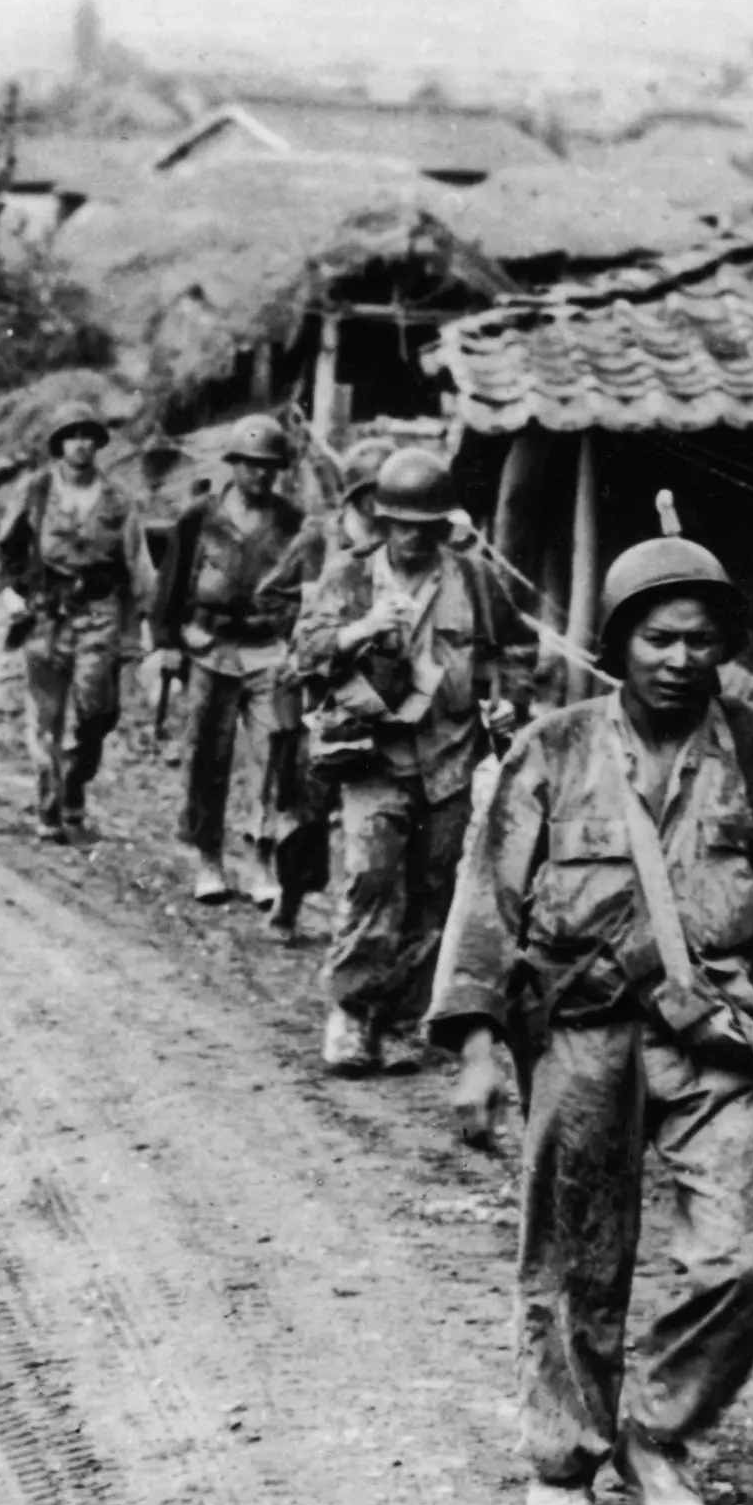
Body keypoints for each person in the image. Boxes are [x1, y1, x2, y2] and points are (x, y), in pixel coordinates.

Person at [431, 535, 753, 1505]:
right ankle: (561, 1469)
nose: (679, 659)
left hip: (714, 1029)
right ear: (617, 645)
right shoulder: (552, 750)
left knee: (742, 1256)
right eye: (656, 637)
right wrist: (474, 1047)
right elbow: (487, 902)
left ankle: (657, 1430)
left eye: (700, 640)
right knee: (574, 1259)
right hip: (582, 1024)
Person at [294, 445, 506, 1074]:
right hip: (372, 760)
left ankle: (400, 1010)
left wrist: (507, 701)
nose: (413, 537)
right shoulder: (350, 576)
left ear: (445, 526)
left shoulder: (472, 578)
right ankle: (352, 1014)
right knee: (371, 878)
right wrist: (360, 630)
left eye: (427, 526)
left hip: (448, 759)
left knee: (434, 888)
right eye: (402, 524)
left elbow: (512, 649)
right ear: (382, 519)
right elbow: (304, 652)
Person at [149, 414, 307, 905]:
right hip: (208, 646)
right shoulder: (200, 516)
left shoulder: (292, 522)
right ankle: (209, 857)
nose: (259, 475)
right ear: (233, 465)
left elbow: (304, 586)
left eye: (268, 467)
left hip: (267, 650)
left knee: (271, 754)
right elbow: (171, 583)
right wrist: (167, 642)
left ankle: (260, 857)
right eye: (250, 465)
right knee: (205, 755)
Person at [0, 401, 140, 839]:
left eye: (88, 435)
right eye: (71, 435)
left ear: (98, 442)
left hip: (99, 613)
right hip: (46, 612)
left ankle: (75, 783)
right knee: (48, 716)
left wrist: (140, 633)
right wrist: (8, 591)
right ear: (59, 443)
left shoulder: (119, 499)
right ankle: (50, 805)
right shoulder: (37, 490)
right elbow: (8, 544)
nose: (80, 444)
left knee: (97, 710)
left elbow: (137, 564)